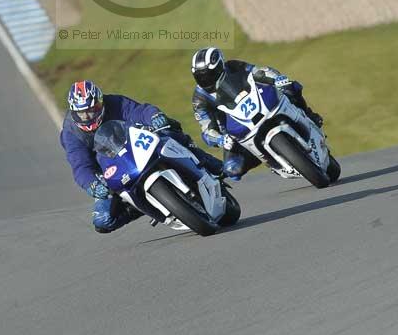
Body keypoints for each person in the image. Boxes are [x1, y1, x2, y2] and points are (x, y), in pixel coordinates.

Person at [61, 79, 224, 234]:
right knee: (103, 221)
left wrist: (154, 116)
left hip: (132, 143)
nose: (88, 116)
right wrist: (92, 184)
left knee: (168, 128)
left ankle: (205, 161)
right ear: (74, 111)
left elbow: (139, 111)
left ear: (100, 102)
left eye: (93, 109)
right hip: (109, 168)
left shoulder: (115, 102)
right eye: (83, 113)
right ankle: (136, 207)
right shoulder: (71, 132)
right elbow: (80, 165)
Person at [190, 47, 323, 180]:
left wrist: (277, 79)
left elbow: (259, 72)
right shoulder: (199, 98)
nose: (205, 80)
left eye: (208, 74)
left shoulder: (233, 67)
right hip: (234, 134)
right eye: (200, 77)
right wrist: (219, 139)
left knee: (291, 87)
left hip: (258, 104)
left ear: (220, 66)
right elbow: (206, 130)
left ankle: (309, 115)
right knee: (232, 170)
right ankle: (271, 161)